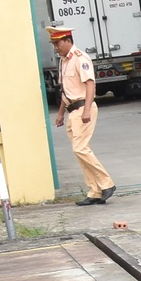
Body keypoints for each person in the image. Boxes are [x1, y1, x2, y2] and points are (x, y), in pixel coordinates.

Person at [50, 24, 114, 205]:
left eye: (58, 43)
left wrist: (86, 109)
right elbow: (66, 90)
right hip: (72, 111)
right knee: (79, 152)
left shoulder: (80, 58)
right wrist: (61, 113)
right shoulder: (63, 61)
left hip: (83, 109)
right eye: (54, 44)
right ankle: (94, 191)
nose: (56, 48)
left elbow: (90, 85)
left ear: (68, 41)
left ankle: (107, 183)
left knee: (80, 148)